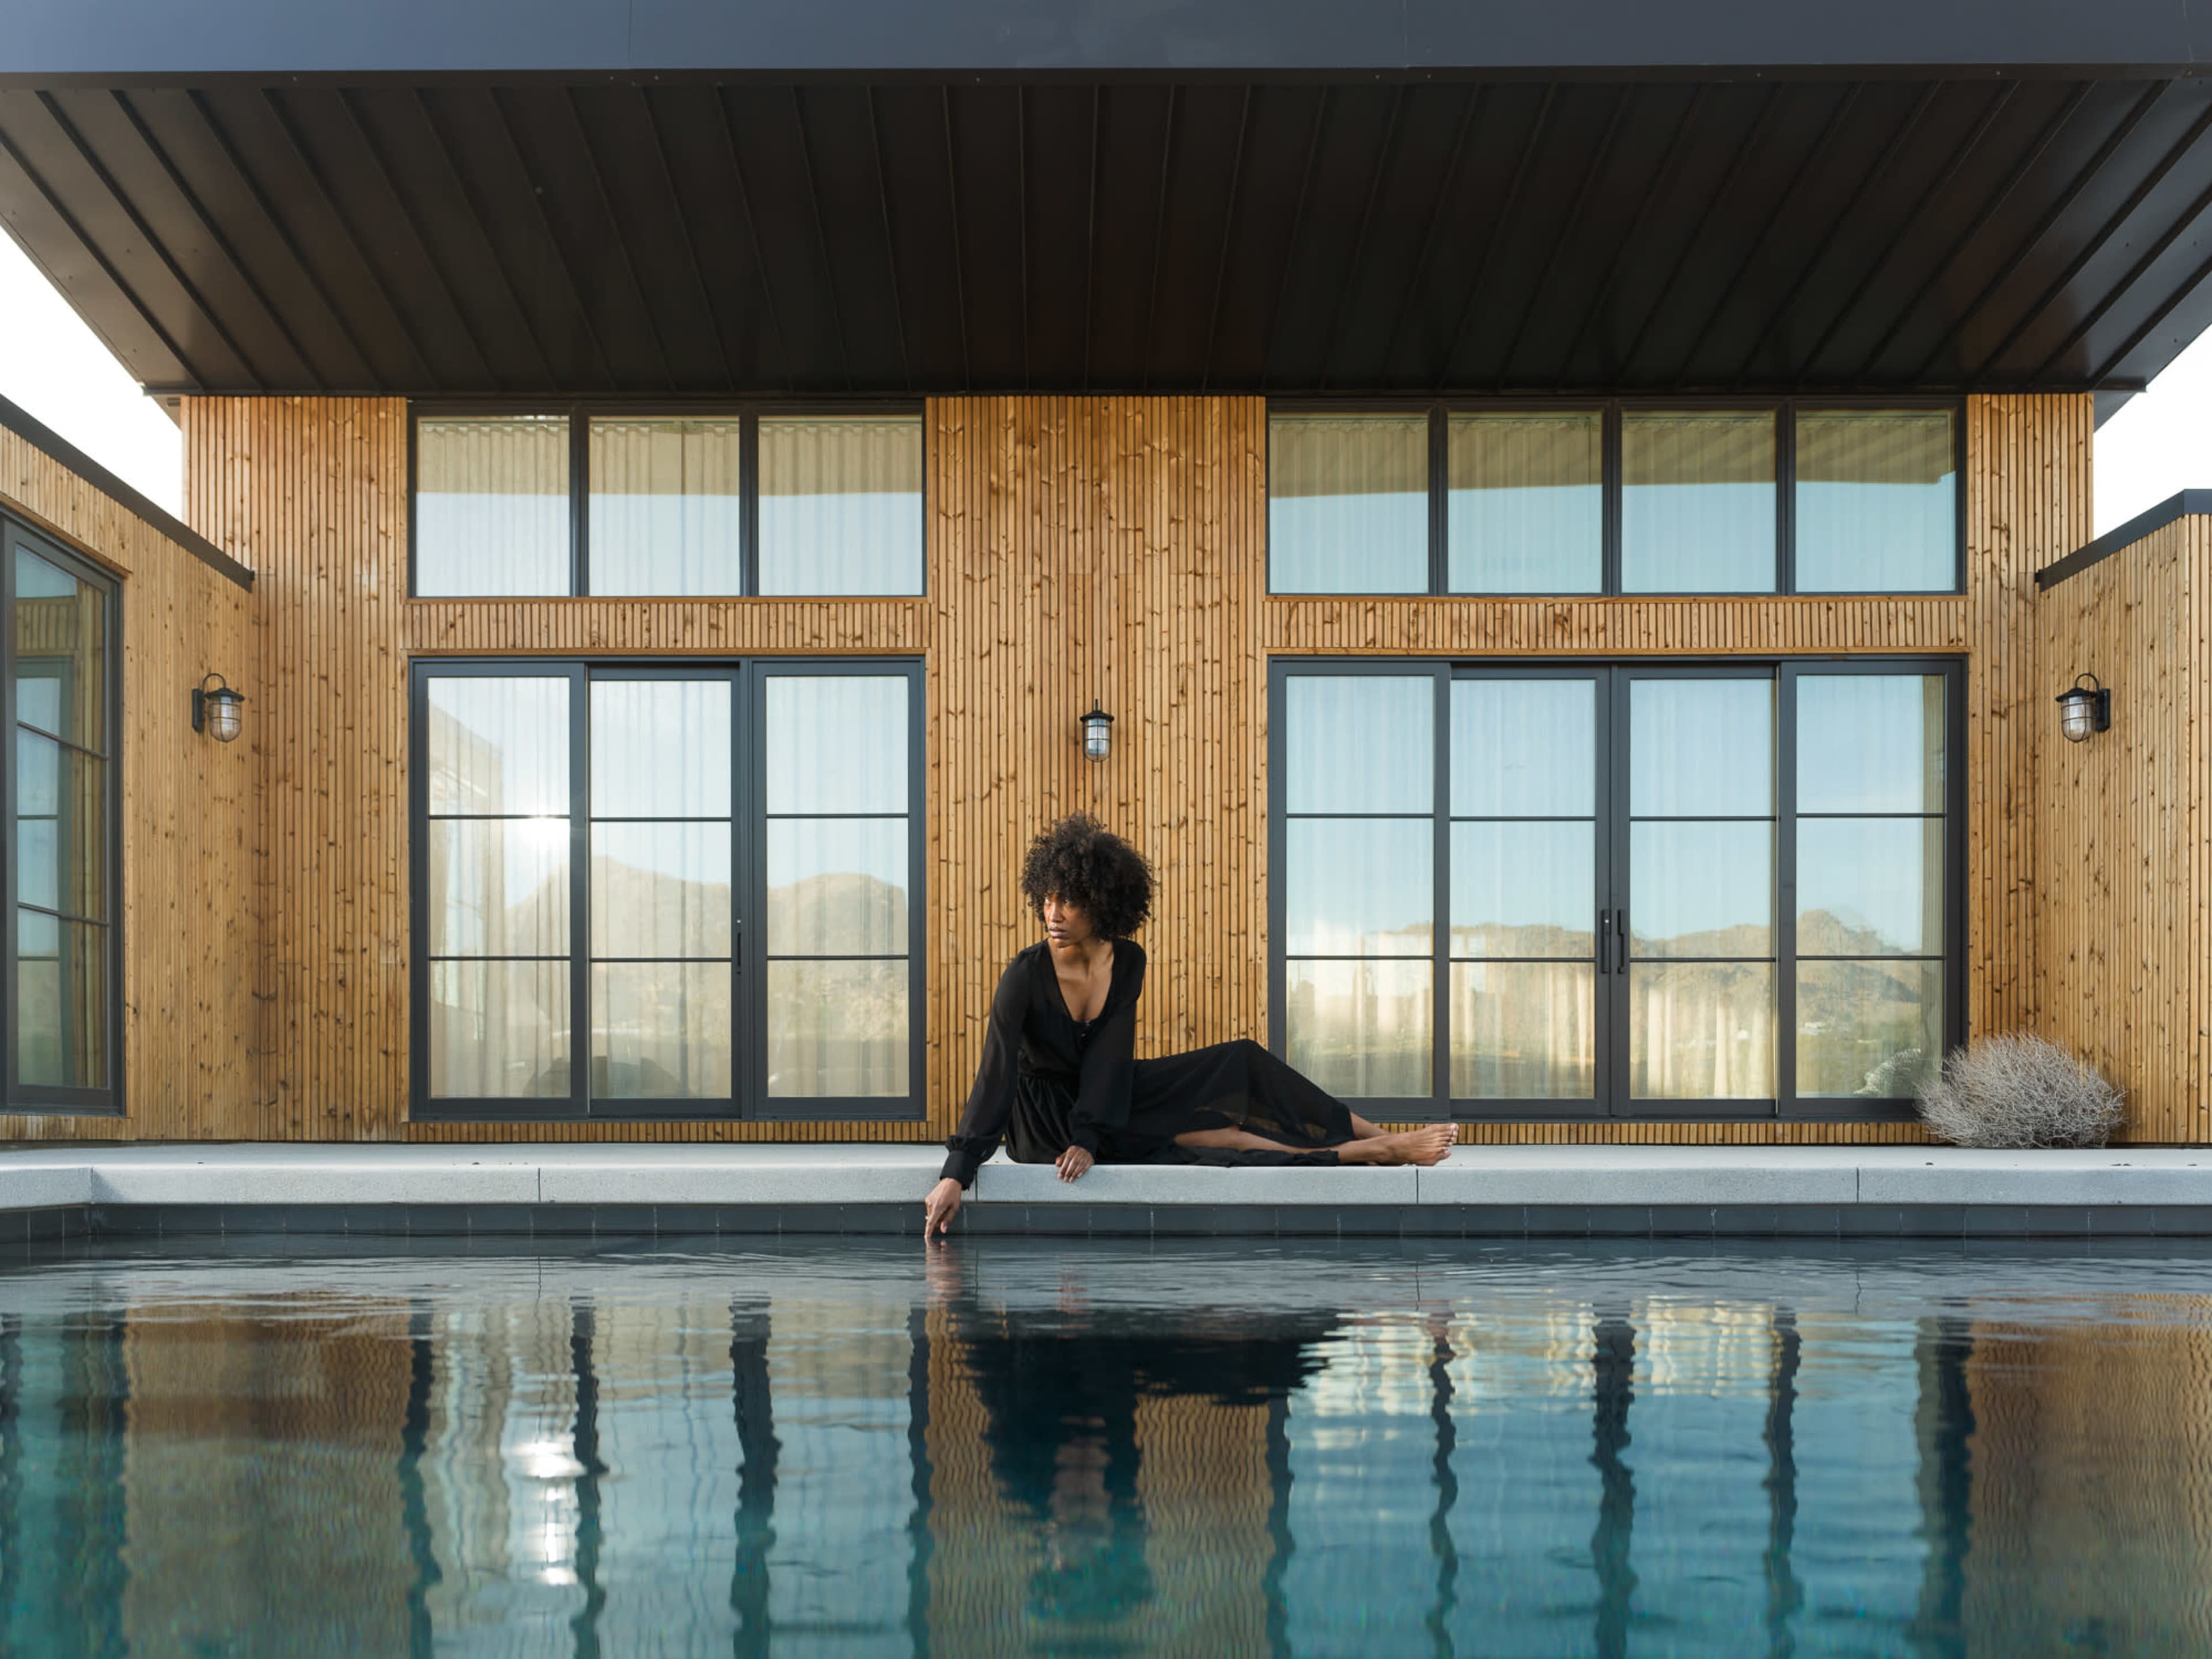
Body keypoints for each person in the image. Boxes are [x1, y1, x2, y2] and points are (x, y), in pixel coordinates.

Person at [923, 814, 1453, 1237]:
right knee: (1224, 1135)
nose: (1052, 913)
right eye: (1047, 898)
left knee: (1241, 1059)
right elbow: (996, 1076)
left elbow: (1111, 1056)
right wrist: (957, 1172)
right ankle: (1374, 1153)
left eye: (1069, 899)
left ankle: (1380, 1135)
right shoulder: (1025, 974)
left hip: (1103, 1098)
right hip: (1043, 1123)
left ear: (1103, 902)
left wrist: (1094, 1132)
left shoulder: (1126, 960)